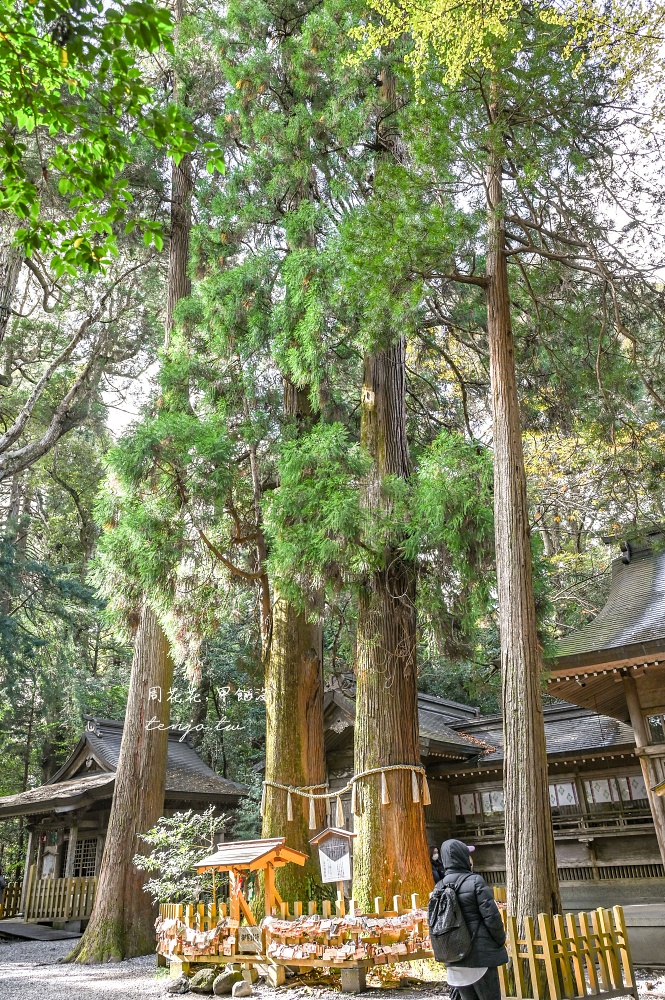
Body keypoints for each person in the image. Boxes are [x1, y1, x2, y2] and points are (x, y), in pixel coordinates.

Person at [438, 839, 508, 1000]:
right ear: (462, 858)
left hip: (455, 960)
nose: (471, 858)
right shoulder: (475, 882)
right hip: (480, 957)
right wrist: (499, 941)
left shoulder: (439, 886)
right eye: (468, 854)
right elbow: (492, 918)